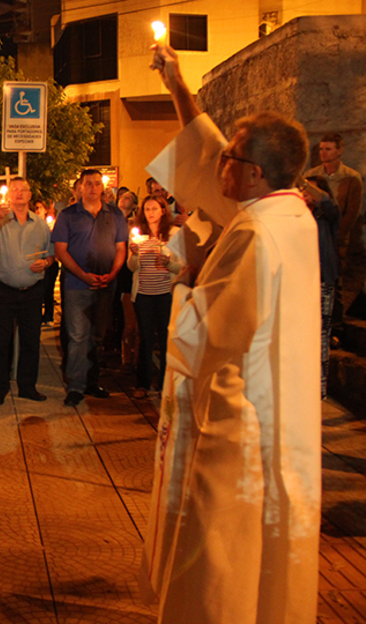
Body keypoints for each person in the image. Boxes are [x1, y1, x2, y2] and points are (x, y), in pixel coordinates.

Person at [143, 43, 321, 624]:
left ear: (252, 174)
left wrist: (182, 271)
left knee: (219, 559)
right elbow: (209, 149)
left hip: (236, 429)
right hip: (277, 418)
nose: (218, 167)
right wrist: (177, 87)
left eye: (232, 160)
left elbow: (205, 334)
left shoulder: (252, 236)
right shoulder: (290, 214)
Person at [51, 169, 127, 407]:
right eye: (89, 184)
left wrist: (113, 273)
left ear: (102, 187)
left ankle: (92, 381)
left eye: (97, 184)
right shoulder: (68, 215)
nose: (93, 188)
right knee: (77, 336)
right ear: (80, 187)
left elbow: (121, 247)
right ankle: (75, 386)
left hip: (106, 284)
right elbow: (60, 250)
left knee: (97, 335)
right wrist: (83, 275)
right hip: (76, 285)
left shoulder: (114, 215)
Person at [0, 177, 53, 405]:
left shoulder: (40, 224)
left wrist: (46, 263)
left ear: (30, 195)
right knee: (1, 342)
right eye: (15, 190)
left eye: (24, 190)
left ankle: (27, 386)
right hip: (4, 291)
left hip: (32, 290)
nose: (19, 193)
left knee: (31, 341)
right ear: (9, 194)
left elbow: (49, 254)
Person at [126, 196, 181, 398]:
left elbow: (182, 266)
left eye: (154, 209)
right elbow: (131, 268)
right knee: (145, 337)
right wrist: (133, 254)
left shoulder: (174, 235)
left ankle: (165, 384)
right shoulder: (139, 236)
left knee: (166, 338)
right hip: (144, 293)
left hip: (166, 293)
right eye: (147, 209)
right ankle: (143, 382)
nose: (150, 212)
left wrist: (168, 263)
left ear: (163, 211)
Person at [305, 133, 364, 320]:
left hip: (337, 237)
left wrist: (338, 235)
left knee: (334, 280)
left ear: (340, 151)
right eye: (321, 149)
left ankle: (335, 324)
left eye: (328, 149)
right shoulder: (311, 176)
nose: (323, 153)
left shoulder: (351, 178)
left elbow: (352, 210)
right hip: (315, 236)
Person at [303, 176, 340, 398]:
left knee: (320, 336)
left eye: (310, 192)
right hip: (301, 283)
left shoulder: (326, 216)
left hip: (322, 280)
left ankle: (319, 393)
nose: (305, 195)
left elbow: (329, 203)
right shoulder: (296, 217)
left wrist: (306, 183)